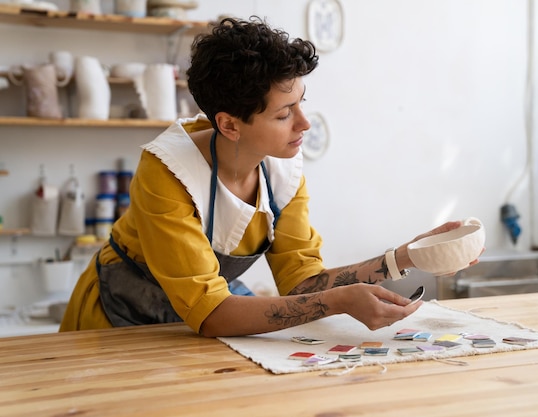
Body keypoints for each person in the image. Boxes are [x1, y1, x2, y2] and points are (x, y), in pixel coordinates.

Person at [60, 17, 476, 337]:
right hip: (118, 314)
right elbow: (211, 312)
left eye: (300, 104)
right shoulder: (167, 171)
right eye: (283, 114)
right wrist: (336, 303)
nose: (304, 124)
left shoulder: (281, 171)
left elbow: (301, 283)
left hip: (205, 315)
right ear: (229, 125)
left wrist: (407, 257)